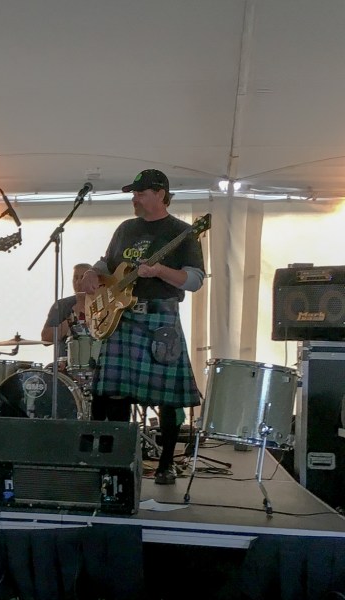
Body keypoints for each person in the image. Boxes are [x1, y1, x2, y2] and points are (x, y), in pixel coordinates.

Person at [80, 169, 205, 485]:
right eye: (134, 194)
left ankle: (166, 463)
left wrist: (161, 271)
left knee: (168, 396)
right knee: (114, 393)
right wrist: (93, 273)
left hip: (160, 316)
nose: (134, 199)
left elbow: (194, 280)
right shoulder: (126, 229)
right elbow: (108, 263)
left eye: (141, 193)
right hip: (122, 317)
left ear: (160, 194)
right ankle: (120, 461)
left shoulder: (182, 232)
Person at [40, 263, 93, 358]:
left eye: (83, 278)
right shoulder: (61, 305)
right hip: (66, 362)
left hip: (96, 360)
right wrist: (73, 317)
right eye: (75, 278)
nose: (78, 282)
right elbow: (46, 338)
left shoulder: (101, 303)